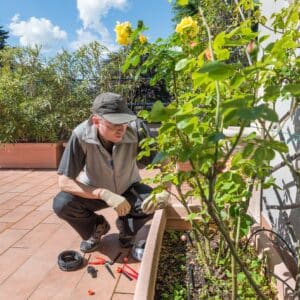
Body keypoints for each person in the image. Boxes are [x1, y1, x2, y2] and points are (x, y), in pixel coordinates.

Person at [52, 92, 169, 253]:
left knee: (151, 203)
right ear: (96, 121)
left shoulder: (136, 129)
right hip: (94, 190)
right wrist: (102, 193)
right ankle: (96, 227)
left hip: (128, 187)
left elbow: (164, 163)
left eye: (124, 122)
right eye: (114, 124)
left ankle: (126, 229)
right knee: (62, 204)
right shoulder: (80, 136)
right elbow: (64, 181)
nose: (121, 129)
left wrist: (164, 190)